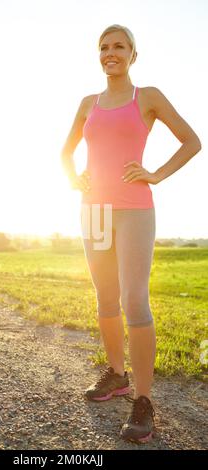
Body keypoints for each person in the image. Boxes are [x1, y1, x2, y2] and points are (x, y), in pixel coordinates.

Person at [60, 24, 202, 444]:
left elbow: (192, 141)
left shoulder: (149, 97)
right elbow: (65, 152)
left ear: (133, 54)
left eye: (119, 46)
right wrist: (74, 179)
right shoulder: (88, 103)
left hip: (134, 210)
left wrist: (155, 174)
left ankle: (143, 400)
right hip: (95, 211)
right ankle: (117, 377)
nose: (110, 52)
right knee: (105, 299)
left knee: (134, 300)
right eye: (104, 47)